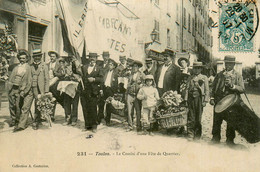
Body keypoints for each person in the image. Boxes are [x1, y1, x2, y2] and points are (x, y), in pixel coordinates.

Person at [210, 55, 244, 146]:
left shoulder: (238, 75)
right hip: (219, 101)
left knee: (231, 121)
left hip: (231, 103)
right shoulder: (219, 75)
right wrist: (212, 98)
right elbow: (213, 87)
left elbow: (242, 89)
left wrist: (233, 86)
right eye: (227, 63)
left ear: (233, 65)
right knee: (217, 120)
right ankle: (215, 138)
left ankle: (230, 140)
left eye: (230, 63)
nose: (228, 65)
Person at [7, 50, 33, 132]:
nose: (22, 60)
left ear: (26, 59)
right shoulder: (16, 67)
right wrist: (9, 88)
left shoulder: (28, 68)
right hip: (13, 88)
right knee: (12, 105)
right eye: (20, 58)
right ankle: (14, 120)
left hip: (21, 89)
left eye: (23, 58)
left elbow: (29, 81)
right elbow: (11, 78)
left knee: (19, 106)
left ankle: (21, 125)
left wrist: (24, 91)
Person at [184, 62, 209, 140]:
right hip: (191, 99)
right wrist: (185, 99)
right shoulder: (190, 78)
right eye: (195, 68)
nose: (196, 70)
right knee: (191, 117)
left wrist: (205, 101)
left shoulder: (204, 78)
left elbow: (207, 90)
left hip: (199, 99)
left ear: (201, 69)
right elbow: (187, 89)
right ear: (193, 69)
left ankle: (197, 134)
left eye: (198, 68)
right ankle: (190, 134)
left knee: (198, 117)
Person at [81, 52, 103, 133]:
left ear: (96, 59)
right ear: (88, 59)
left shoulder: (99, 68)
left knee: (93, 108)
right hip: (85, 91)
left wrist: (94, 79)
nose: (92, 59)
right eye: (90, 58)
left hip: (94, 92)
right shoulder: (84, 67)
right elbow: (81, 76)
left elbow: (101, 79)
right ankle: (87, 125)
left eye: (94, 58)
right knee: (85, 108)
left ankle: (94, 126)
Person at [57, 55, 82, 126]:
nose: (70, 60)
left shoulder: (77, 66)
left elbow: (80, 74)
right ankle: (67, 118)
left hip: (75, 86)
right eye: (68, 59)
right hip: (66, 86)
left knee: (75, 103)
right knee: (66, 103)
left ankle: (74, 119)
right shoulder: (64, 66)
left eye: (71, 58)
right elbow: (61, 74)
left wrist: (74, 74)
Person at [31, 49, 49, 130]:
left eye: (38, 56)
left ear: (41, 57)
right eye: (35, 56)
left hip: (40, 88)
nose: (37, 58)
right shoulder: (30, 66)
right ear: (33, 57)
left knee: (38, 104)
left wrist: (46, 90)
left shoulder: (44, 66)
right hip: (31, 88)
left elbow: (46, 79)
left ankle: (36, 121)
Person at [126, 60, 145, 132]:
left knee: (138, 111)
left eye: (136, 66)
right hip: (130, 94)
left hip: (137, 95)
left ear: (138, 67)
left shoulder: (142, 75)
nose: (134, 68)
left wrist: (141, 85)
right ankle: (130, 126)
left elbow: (146, 82)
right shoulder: (130, 74)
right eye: (133, 66)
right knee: (129, 111)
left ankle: (138, 126)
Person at [102, 58, 119, 125]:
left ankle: (108, 120)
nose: (110, 66)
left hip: (110, 90)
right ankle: (101, 117)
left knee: (109, 105)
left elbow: (116, 83)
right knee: (102, 103)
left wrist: (114, 92)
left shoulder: (115, 73)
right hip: (105, 88)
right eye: (109, 64)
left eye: (111, 65)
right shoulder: (106, 72)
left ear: (114, 66)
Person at [47, 50, 60, 121]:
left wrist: (54, 72)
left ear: (56, 57)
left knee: (54, 99)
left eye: (53, 56)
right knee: (48, 99)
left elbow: (61, 74)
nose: (52, 58)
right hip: (48, 83)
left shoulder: (59, 65)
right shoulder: (47, 64)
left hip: (55, 83)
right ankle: (47, 114)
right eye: (51, 56)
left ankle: (52, 115)